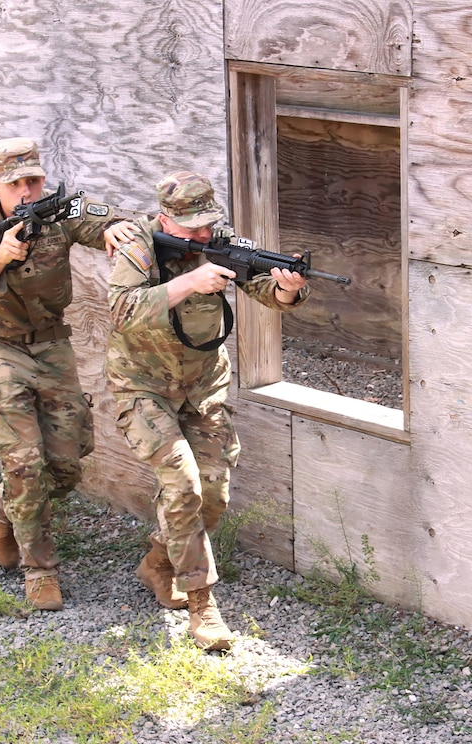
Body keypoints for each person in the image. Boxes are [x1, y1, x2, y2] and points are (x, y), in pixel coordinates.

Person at [103, 171, 310, 650]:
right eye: (191, 227)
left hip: (202, 386)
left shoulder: (222, 241)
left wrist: (288, 288)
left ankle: (158, 562)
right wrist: (191, 282)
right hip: (143, 386)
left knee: (212, 495)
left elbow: (266, 290)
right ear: (164, 219)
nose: (201, 235)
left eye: (206, 225)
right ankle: (202, 605)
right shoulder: (138, 244)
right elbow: (121, 310)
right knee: (182, 483)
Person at [0, 137, 129, 611]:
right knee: (24, 461)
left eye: (34, 180)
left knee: (65, 465)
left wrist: (115, 231)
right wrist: (0, 257)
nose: (27, 191)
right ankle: (40, 571)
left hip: (51, 344)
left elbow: (109, 219)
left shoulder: (59, 207)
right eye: (16, 183)